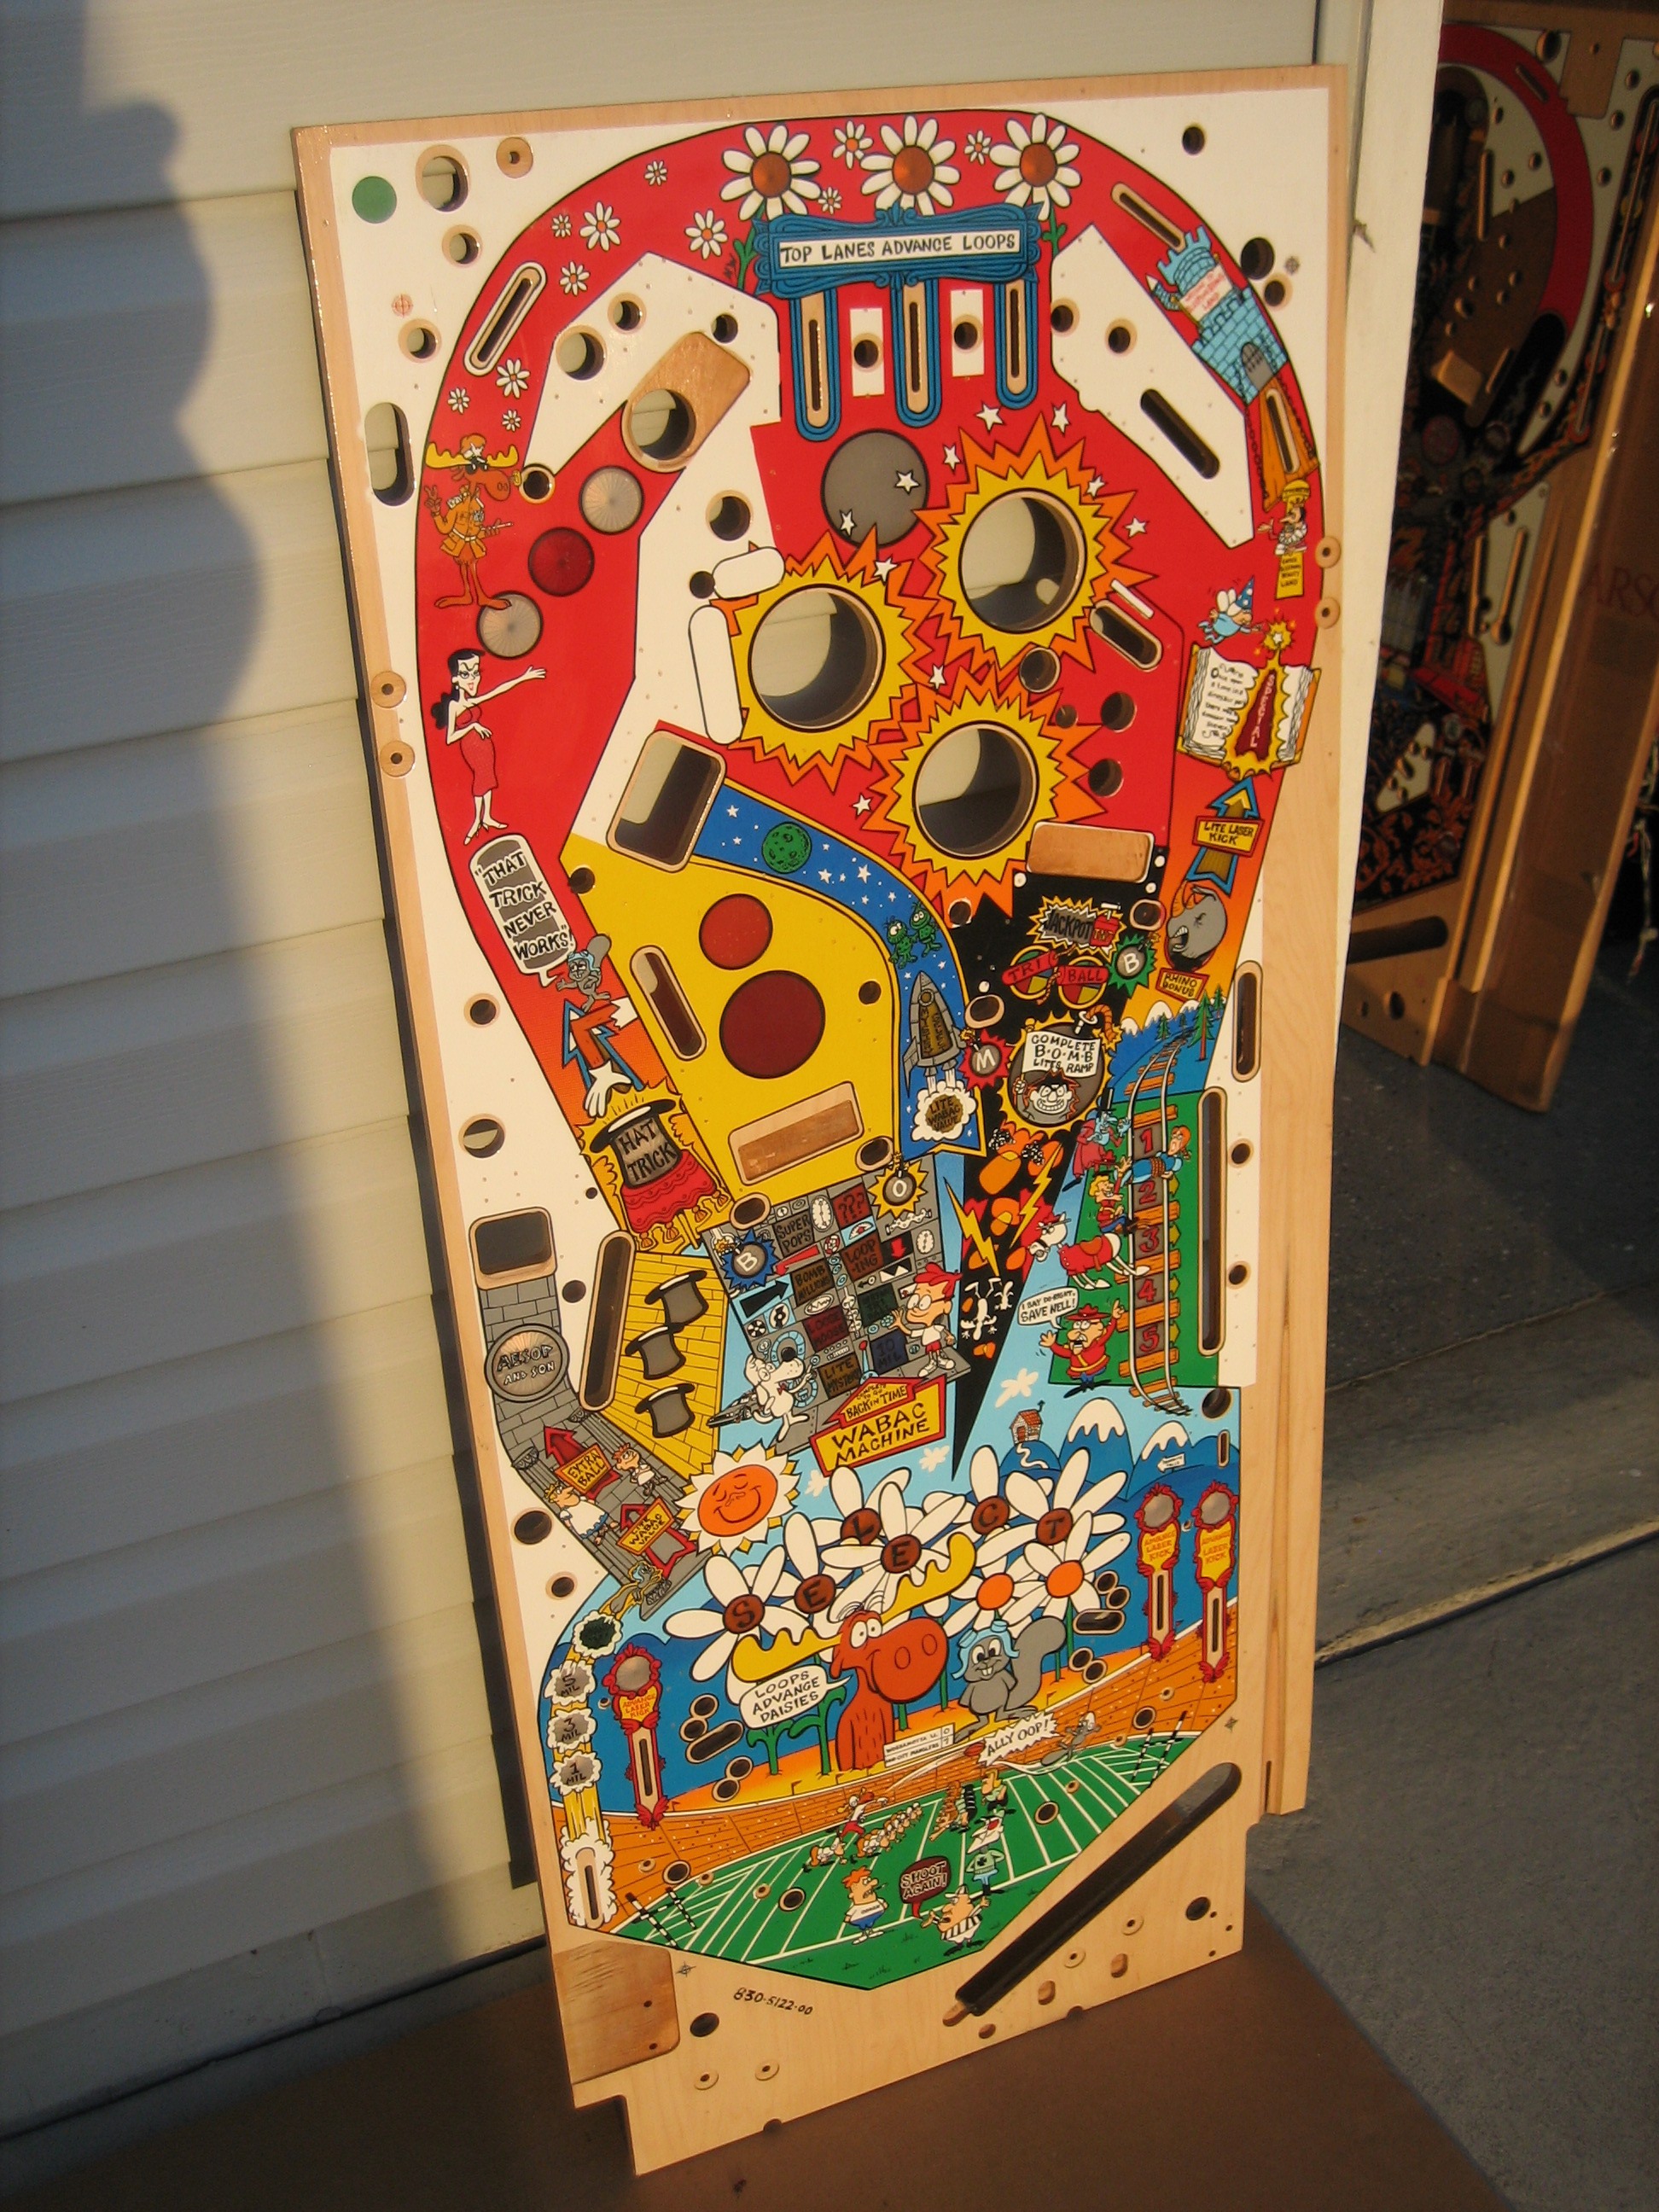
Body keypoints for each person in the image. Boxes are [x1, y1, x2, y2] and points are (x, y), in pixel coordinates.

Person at [429, 648, 545, 843]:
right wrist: (473, 726)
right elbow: (450, 738)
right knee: (480, 780)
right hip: (471, 748)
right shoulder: (454, 706)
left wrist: (523, 678)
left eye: (476, 672)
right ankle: (476, 820)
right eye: (465, 674)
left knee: (488, 778)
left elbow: (498, 690)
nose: (473, 679)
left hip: (485, 747)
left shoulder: (471, 701)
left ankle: (487, 817)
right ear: (455, 679)